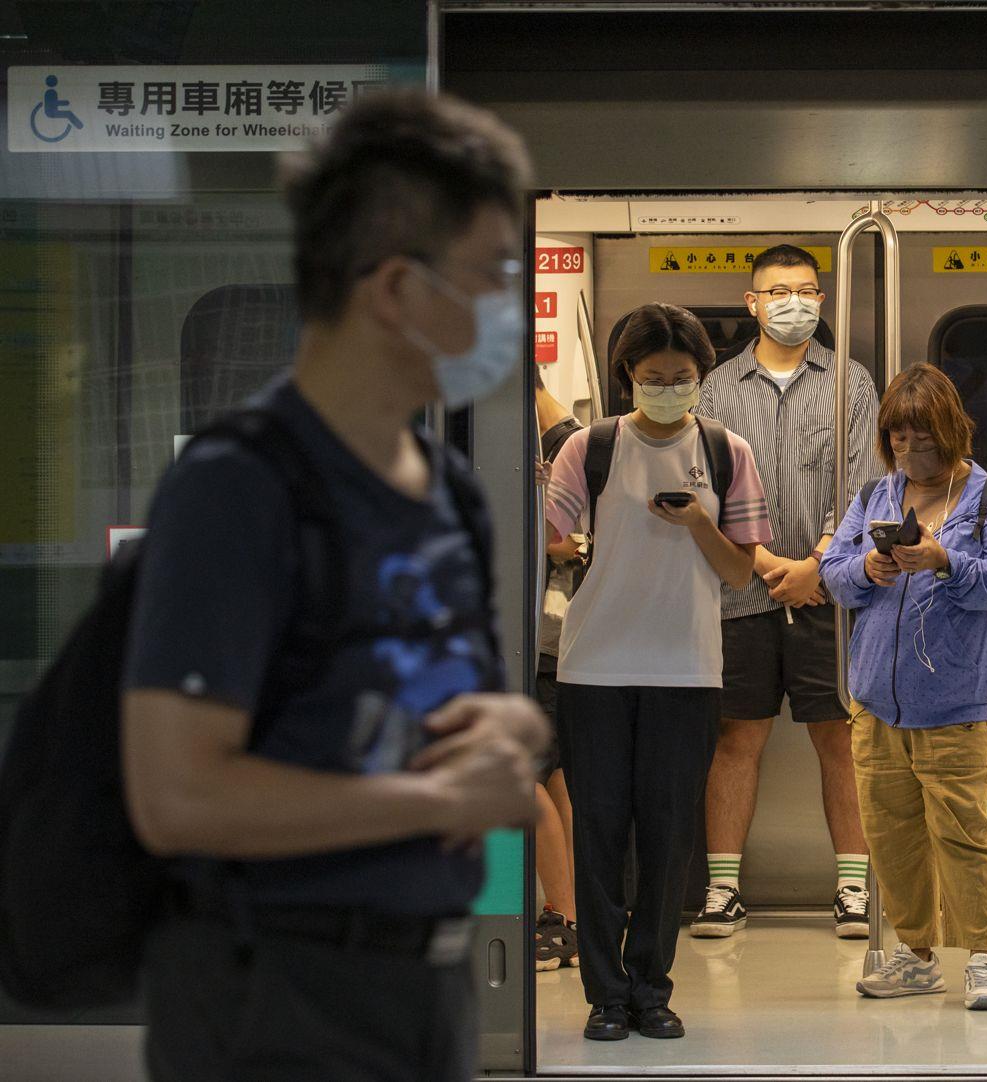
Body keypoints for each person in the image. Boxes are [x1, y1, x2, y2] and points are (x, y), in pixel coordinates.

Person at [121, 90, 548, 1082]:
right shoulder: (240, 486)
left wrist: (516, 727)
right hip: (276, 992)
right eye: (491, 274)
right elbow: (177, 795)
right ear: (396, 289)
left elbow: (467, 700)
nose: (507, 304)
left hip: (428, 985)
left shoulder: (447, 487)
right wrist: (434, 796)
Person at [542, 303, 773, 1042]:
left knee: (670, 839)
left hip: (687, 667)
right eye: (653, 377)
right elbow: (548, 538)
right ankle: (605, 994)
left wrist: (698, 519)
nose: (668, 389)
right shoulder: (591, 447)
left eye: (681, 377)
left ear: (701, 376)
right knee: (600, 833)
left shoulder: (727, 451)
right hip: (594, 667)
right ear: (627, 377)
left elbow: (740, 571)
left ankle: (652, 988)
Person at [820, 363, 987, 1012]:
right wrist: (868, 568)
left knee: (964, 834)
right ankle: (916, 955)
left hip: (956, 705)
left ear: (953, 432)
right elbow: (834, 575)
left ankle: (981, 959)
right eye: (899, 437)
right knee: (892, 838)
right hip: (876, 704)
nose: (911, 449)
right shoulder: (874, 498)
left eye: (924, 437)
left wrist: (946, 561)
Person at [690, 244, 881, 941]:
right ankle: (723, 890)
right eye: (777, 291)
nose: (791, 303)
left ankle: (854, 889)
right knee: (735, 737)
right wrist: (766, 562)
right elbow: (705, 484)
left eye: (804, 291)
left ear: (822, 301)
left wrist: (817, 564)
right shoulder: (716, 389)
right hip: (741, 592)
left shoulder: (851, 383)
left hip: (827, 594)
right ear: (752, 303)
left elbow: (865, 483)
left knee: (841, 737)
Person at [533, 366, 584, 971]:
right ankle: (570, 913)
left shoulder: (564, 445)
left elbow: (569, 540)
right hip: (553, 638)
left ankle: (563, 914)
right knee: (553, 777)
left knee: (529, 779)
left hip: (544, 633)